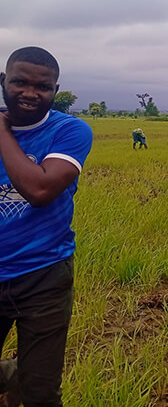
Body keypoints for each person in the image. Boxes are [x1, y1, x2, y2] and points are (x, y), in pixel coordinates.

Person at [0, 46, 93, 406]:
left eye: (43, 87)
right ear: (5, 81)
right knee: (28, 376)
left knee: (41, 392)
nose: (30, 93)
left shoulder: (69, 130)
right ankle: (12, 374)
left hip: (44, 275)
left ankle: (25, 377)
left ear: (56, 90)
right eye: (21, 83)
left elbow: (39, 189)